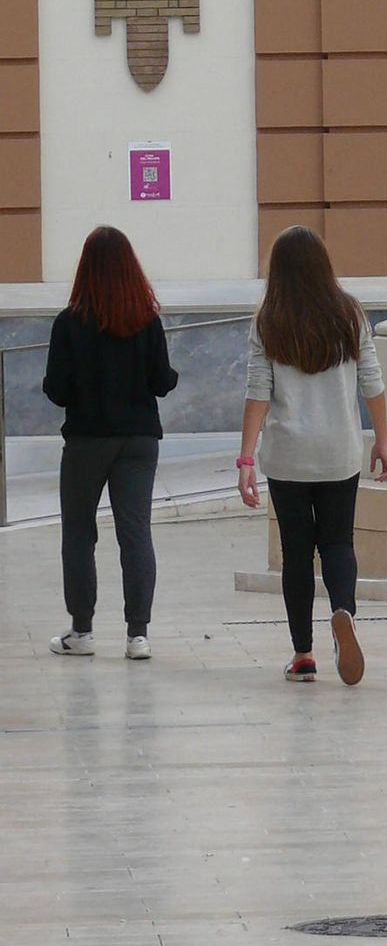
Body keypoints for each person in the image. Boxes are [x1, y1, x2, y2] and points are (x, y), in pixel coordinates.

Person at [237, 226, 387, 684]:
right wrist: (381, 439)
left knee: (297, 554)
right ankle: (343, 610)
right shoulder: (350, 315)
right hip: (339, 450)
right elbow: (373, 382)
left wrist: (246, 458)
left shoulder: (268, 320)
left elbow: (257, 393)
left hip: (288, 456)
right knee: (339, 542)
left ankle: (303, 654)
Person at [41, 227, 178, 662]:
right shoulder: (147, 320)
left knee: (79, 533)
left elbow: (56, 389)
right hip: (139, 439)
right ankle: (138, 635)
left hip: (86, 441)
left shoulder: (69, 323)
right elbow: (163, 381)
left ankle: (82, 631)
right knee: (136, 533)